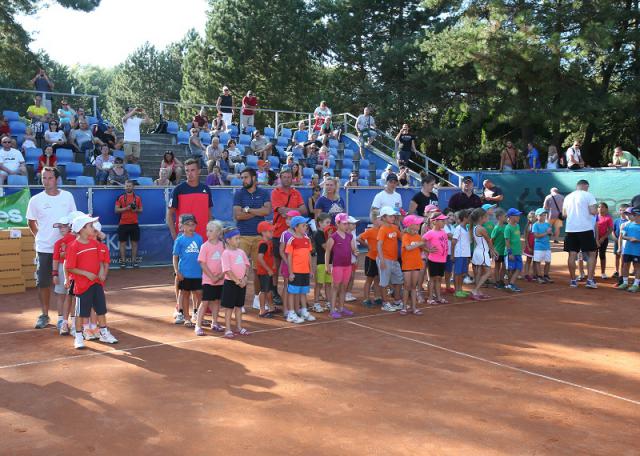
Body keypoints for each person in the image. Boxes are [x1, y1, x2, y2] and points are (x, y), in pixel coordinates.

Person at [26, 167, 77, 329]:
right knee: (43, 282)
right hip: (45, 249)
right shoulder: (35, 200)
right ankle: (45, 314)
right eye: (44, 178)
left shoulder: (67, 197)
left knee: (67, 285)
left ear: (57, 179)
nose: (46, 181)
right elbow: (31, 222)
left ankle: (65, 318)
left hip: (66, 250)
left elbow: (73, 219)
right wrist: (40, 237)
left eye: (50, 178)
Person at [65, 215, 118, 349]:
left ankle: (104, 333)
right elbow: (70, 267)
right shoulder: (73, 246)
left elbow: (100, 260)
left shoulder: (95, 244)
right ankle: (78, 337)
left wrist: (100, 271)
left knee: (101, 310)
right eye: (90, 226)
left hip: (97, 284)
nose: (93, 228)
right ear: (82, 229)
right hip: (82, 286)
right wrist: (86, 274)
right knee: (80, 313)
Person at [232, 167, 272, 312]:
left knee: (258, 271)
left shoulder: (264, 193)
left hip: (259, 238)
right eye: (242, 178)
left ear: (254, 178)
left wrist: (248, 210)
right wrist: (257, 212)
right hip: (242, 236)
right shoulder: (238, 194)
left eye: (246, 177)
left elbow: (267, 211)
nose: (243, 180)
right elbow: (238, 215)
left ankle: (257, 299)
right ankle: (238, 302)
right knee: (240, 270)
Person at [270, 167, 307, 304]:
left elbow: (304, 210)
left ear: (292, 178)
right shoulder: (275, 192)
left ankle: (293, 291)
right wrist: (296, 212)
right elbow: (281, 211)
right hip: (279, 233)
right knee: (276, 265)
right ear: (280, 178)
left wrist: (290, 212)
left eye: (289, 177)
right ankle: (274, 291)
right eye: (284, 177)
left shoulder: (296, 193)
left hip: (295, 236)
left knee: (293, 263)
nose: (287, 179)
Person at [563, 179, 598, 288]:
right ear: (585, 186)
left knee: (572, 254)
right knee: (592, 253)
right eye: (587, 187)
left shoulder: (568, 197)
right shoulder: (588, 195)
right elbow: (593, 211)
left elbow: (564, 214)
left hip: (570, 229)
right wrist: (595, 211)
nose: (588, 189)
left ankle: (573, 281)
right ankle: (590, 280)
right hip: (585, 228)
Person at [167, 158, 213, 241]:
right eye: (187, 171)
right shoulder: (178, 189)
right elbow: (169, 215)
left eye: (192, 170)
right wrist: (175, 236)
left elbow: (209, 213)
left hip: (204, 238)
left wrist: (210, 233)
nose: (189, 173)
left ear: (199, 171)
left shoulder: (206, 189)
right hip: (184, 239)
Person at [172, 214, 203, 326]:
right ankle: (186, 317)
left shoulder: (199, 238)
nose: (191, 227)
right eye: (187, 224)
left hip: (197, 273)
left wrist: (203, 270)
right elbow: (175, 257)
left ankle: (197, 314)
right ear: (182, 226)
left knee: (199, 293)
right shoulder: (179, 240)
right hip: (184, 273)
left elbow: (202, 256)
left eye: (193, 224)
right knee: (185, 294)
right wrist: (177, 271)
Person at [195, 221, 225, 335]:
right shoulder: (204, 246)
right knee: (205, 302)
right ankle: (198, 326)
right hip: (208, 280)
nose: (208, 233)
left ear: (218, 233)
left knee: (217, 301)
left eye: (211, 231)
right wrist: (212, 277)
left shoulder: (223, 245)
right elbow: (202, 263)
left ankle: (215, 323)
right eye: (207, 230)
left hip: (220, 280)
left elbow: (225, 261)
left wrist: (221, 275)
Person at [325, 213, 357, 319]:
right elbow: (328, 252)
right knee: (335, 287)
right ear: (337, 223)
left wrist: (355, 252)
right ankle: (332, 310)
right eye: (344, 223)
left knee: (344, 287)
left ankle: (342, 308)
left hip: (347, 266)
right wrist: (327, 266)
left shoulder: (350, 236)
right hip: (337, 266)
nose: (347, 225)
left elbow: (353, 249)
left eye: (347, 223)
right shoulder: (333, 237)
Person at [221, 227, 251, 337]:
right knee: (229, 308)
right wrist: (238, 281)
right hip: (231, 284)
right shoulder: (225, 253)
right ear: (228, 240)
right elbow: (227, 271)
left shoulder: (241, 252)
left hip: (242, 283)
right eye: (236, 238)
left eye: (239, 238)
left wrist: (245, 278)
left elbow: (247, 265)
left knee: (239, 307)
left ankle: (239, 327)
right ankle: (228, 329)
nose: (239, 241)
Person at [285, 216, 316, 322]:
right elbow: (289, 257)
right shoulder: (291, 240)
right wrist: (291, 272)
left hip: (305, 271)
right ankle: (291, 313)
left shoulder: (307, 239)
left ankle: (304, 311)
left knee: (303, 292)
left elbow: (308, 256)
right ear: (296, 227)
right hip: (295, 272)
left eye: (306, 225)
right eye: (303, 225)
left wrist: (311, 270)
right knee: (292, 292)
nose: (306, 227)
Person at [376, 206, 404, 311]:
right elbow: (379, 245)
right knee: (384, 282)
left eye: (393, 215)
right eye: (390, 215)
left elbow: (402, 238)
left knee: (399, 279)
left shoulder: (395, 228)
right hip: (385, 259)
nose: (393, 217)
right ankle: (385, 303)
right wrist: (382, 260)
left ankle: (397, 301)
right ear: (383, 217)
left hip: (394, 260)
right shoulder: (382, 229)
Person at [51, 216, 75, 335]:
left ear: (70, 226)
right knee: (61, 295)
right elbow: (56, 258)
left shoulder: (77, 239)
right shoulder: (58, 243)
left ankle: (75, 321)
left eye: (64, 226)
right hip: (61, 269)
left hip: (75, 269)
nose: (61, 229)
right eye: (60, 227)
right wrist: (55, 273)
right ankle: (61, 320)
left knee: (73, 296)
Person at [115, 180, 143, 268]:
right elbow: (116, 210)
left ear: (133, 187)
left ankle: (134, 262)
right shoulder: (120, 197)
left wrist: (135, 210)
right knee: (122, 243)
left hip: (134, 223)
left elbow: (141, 210)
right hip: (123, 223)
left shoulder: (137, 198)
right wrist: (126, 208)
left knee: (134, 243)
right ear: (124, 187)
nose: (128, 187)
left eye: (130, 186)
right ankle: (123, 262)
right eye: (126, 186)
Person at [400, 215, 425, 314]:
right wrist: (420, 243)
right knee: (407, 286)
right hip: (407, 265)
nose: (419, 224)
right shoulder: (405, 236)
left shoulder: (418, 236)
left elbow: (421, 248)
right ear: (410, 225)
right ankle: (404, 307)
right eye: (417, 223)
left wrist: (426, 247)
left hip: (416, 264)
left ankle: (414, 307)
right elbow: (408, 248)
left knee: (414, 286)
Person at [469, 208, 496, 300]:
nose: (488, 217)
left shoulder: (475, 227)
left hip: (478, 251)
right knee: (488, 272)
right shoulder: (481, 228)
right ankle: (475, 290)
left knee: (479, 273)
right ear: (481, 218)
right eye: (486, 216)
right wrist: (493, 250)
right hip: (483, 253)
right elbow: (489, 240)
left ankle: (478, 291)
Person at [422, 213, 449, 304]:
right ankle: (430, 298)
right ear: (435, 222)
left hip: (442, 260)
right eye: (442, 221)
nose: (444, 222)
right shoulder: (430, 233)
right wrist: (428, 250)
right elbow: (421, 242)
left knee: (439, 279)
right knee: (432, 279)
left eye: (444, 220)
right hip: (433, 260)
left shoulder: (444, 232)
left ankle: (438, 297)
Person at [616, 207, 640, 292]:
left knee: (637, 267)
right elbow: (623, 236)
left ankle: (636, 284)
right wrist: (630, 238)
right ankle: (625, 283)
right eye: (634, 215)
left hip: (637, 251)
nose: (635, 217)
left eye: (636, 215)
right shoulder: (628, 225)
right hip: (627, 250)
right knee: (625, 266)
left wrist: (637, 240)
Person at [256, 221, 276, 318]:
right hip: (264, 272)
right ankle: (262, 310)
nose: (272, 233)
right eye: (270, 231)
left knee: (268, 290)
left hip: (268, 271)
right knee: (264, 290)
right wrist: (268, 269)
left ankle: (271, 307)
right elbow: (260, 258)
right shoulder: (263, 244)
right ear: (263, 232)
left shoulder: (269, 243)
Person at [313, 213, 332, 311]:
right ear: (320, 223)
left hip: (329, 263)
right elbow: (326, 247)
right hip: (321, 263)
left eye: (330, 222)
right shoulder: (318, 234)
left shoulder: (326, 234)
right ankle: (316, 303)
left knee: (328, 284)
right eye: (327, 222)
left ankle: (329, 302)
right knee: (319, 284)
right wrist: (330, 237)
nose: (329, 224)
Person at [451, 210, 472, 298]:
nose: (470, 219)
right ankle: (457, 291)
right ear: (465, 218)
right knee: (457, 273)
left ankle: (460, 289)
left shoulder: (466, 228)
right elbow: (453, 242)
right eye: (469, 217)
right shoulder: (458, 229)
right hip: (459, 255)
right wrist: (452, 255)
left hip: (464, 255)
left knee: (462, 273)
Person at [504, 208, 524, 292]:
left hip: (518, 252)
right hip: (510, 253)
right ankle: (509, 284)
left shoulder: (518, 226)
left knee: (519, 268)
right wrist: (510, 253)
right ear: (511, 217)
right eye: (517, 215)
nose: (519, 217)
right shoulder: (508, 228)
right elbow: (507, 241)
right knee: (510, 269)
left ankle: (511, 284)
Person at [532, 208, 553, 283]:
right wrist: (546, 233)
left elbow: (550, 234)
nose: (543, 216)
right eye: (541, 215)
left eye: (544, 215)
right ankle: (539, 277)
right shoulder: (535, 225)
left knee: (548, 261)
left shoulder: (547, 224)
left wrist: (550, 233)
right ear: (537, 216)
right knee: (538, 262)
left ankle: (546, 276)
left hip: (547, 246)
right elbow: (536, 235)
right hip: (538, 247)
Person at [595, 202, 613, 279]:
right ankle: (592, 272)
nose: (600, 208)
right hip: (594, 239)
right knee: (593, 256)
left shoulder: (608, 218)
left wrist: (603, 238)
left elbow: (610, 229)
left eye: (602, 207)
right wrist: (596, 239)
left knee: (602, 255)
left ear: (606, 209)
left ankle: (603, 273)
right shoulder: (594, 217)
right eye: (599, 207)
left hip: (603, 240)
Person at [491, 208, 507, 288]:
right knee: (497, 266)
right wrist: (493, 250)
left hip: (505, 251)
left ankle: (501, 280)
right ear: (499, 217)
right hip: (498, 251)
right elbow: (492, 240)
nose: (506, 218)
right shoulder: (496, 228)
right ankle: (497, 281)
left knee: (504, 266)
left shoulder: (506, 227)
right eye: (504, 216)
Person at [613, 204, 630, 280]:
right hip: (617, 241)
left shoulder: (629, 221)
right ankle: (617, 271)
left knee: (625, 259)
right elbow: (613, 230)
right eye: (621, 210)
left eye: (624, 210)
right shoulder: (617, 220)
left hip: (626, 243)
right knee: (617, 256)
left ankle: (624, 274)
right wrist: (615, 238)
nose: (622, 212)